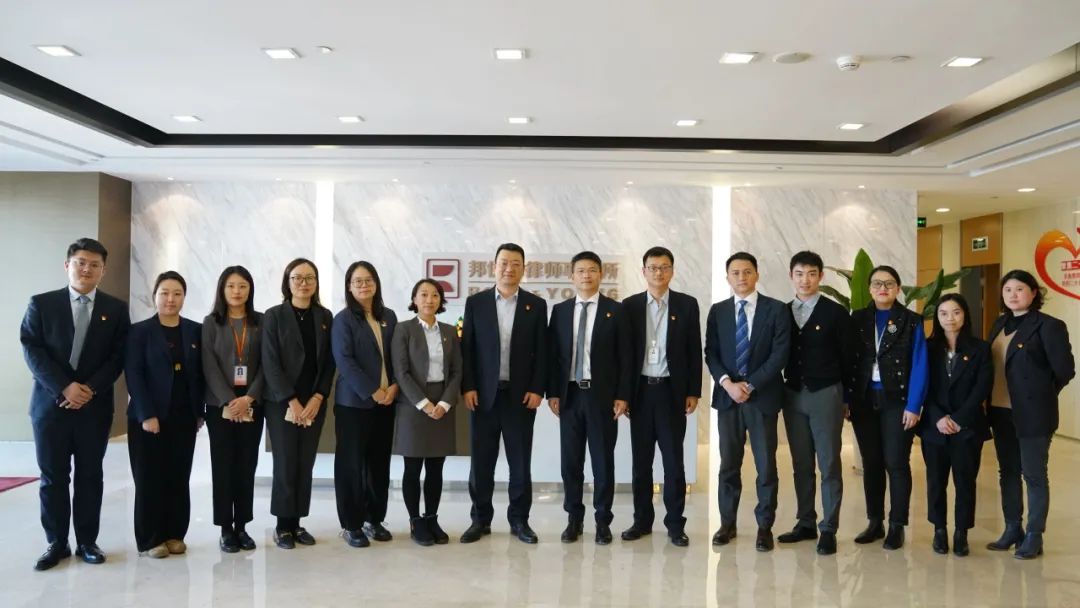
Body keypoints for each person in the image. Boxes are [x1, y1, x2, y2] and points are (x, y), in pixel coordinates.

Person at [21, 237, 130, 570]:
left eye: (94, 265)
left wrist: (88, 389)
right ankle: (56, 542)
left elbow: (118, 357)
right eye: (81, 263)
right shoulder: (42, 304)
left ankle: (87, 541)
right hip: (50, 407)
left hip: (93, 409)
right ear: (67, 265)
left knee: (89, 476)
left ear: (103, 271)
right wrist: (64, 387)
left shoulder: (115, 309)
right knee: (53, 477)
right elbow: (32, 349)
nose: (87, 269)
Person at [460, 243, 548, 544]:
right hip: (483, 397)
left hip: (520, 398)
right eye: (504, 263)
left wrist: (537, 388)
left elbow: (542, 351)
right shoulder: (476, 303)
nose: (509, 268)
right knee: (481, 463)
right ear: (493, 266)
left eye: (515, 264)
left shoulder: (536, 306)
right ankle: (480, 520)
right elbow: (467, 349)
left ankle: (520, 521)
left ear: (524, 268)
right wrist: (469, 387)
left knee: (520, 463)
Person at [986, 269, 1075, 559]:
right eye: (1007, 290)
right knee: (1008, 472)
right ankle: (1013, 528)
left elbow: (1065, 370)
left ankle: (1034, 535)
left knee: (1034, 474)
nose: (1013, 295)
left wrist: (1040, 395)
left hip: (1034, 414)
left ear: (1034, 293)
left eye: (1020, 289)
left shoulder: (1049, 326)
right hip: (999, 410)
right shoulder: (999, 323)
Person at [705, 251, 790, 552]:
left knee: (766, 466)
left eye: (747, 271)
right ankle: (727, 523)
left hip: (762, 397)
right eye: (735, 272)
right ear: (728, 277)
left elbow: (779, 355)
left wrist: (750, 384)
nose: (741, 277)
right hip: (728, 399)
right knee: (728, 464)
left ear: (757, 274)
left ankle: (764, 526)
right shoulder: (718, 311)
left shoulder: (776, 310)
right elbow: (711, 353)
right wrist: (728, 384)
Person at [547, 252, 632, 545]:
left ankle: (603, 520)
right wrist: (553, 392)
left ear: (601, 275)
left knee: (602, 461)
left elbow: (626, 357)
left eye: (592, 270)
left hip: (602, 397)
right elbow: (554, 355)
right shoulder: (560, 311)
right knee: (571, 462)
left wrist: (622, 395)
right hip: (569, 395)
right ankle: (574, 518)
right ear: (572, 276)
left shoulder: (616, 310)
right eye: (581, 270)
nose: (586, 275)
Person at [621, 246, 702, 547]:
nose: (658, 272)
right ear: (643, 271)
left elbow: (694, 350)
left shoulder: (687, 304)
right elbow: (623, 356)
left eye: (664, 267)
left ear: (672, 271)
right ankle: (641, 521)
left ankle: (675, 524)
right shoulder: (629, 306)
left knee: (673, 462)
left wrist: (693, 390)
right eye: (653, 267)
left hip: (671, 392)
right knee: (641, 463)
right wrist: (623, 394)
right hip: (641, 392)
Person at [125, 271, 205, 558]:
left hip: (184, 417)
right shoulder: (139, 332)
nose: (171, 299)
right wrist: (147, 414)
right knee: (149, 478)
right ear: (154, 296)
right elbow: (134, 374)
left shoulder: (195, 331)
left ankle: (174, 533)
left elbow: (200, 375)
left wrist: (199, 412)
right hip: (148, 418)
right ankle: (150, 539)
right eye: (165, 293)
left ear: (184, 297)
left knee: (178, 476)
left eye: (177, 293)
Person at [777, 251, 851, 555]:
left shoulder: (835, 313)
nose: (805, 280)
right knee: (801, 463)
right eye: (799, 274)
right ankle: (805, 521)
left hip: (826, 393)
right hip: (792, 394)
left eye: (811, 274)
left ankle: (829, 527)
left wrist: (847, 398)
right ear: (791, 276)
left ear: (820, 276)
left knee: (829, 462)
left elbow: (849, 359)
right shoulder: (781, 312)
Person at [849, 265, 928, 550]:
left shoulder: (911, 321)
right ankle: (875, 522)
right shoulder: (857, 319)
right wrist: (847, 399)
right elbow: (848, 360)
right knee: (871, 463)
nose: (883, 288)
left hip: (898, 401)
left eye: (889, 283)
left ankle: (897, 524)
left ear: (898, 288)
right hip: (863, 400)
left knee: (896, 462)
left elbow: (919, 364)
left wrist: (914, 405)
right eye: (877, 283)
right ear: (869, 288)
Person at [262, 258, 336, 549]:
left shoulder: (325, 316)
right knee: (285, 462)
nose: (304, 283)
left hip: (314, 402)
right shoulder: (274, 315)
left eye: (309, 278)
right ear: (288, 282)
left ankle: (297, 523)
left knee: (305, 463)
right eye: (297, 278)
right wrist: (290, 400)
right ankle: (282, 526)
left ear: (316, 282)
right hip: (282, 403)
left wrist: (319, 396)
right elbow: (270, 362)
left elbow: (329, 362)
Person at [331, 261, 399, 547]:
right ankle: (352, 524)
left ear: (376, 283)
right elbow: (344, 361)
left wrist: (394, 386)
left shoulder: (389, 316)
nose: (363, 285)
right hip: (353, 404)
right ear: (349, 286)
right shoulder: (343, 319)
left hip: (387, 402)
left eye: (368, 280)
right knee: (351, 465)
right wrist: (372, 391)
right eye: (357, 281)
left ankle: (374, 519)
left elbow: (398, 355)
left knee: (379, 463)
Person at [391, 278, 462, 546]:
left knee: (435, 467)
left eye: (435, 295)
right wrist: (423, 403)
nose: (429, 300)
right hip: (413, 405)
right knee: (412, 467)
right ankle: (415, 521)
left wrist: (444, 403)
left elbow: (456, 371)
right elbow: (401, 372)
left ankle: (431, 518)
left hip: (442, 403)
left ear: (441, 301)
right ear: (414, 299)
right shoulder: (403, 329)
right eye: (423, 294)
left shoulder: (449, 331)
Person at [920, 293, 991, 557]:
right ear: (937, 318)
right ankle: (939, 529)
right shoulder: (927, 348)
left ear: (965, 315)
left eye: (956, 312)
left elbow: (982, 387)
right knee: (935, 481)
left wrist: (959, 419)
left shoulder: (980, 348)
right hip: (934, 426)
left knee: (965, 481)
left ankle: (962, 532)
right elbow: (923, 386)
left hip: (967, 427)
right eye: (944, 313)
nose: (950, 318)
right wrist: (938, 417)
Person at [201, 266, 264, 553]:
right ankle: (226, 528)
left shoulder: (261, 321)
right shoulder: (211, 323)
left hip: (252, 402)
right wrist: (229, 400)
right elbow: (209, 365)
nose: (237, 291)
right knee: (223, 465)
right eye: (231, 286)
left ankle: (242, 526)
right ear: (222, 290)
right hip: (220, 404)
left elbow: (267, 364)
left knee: (246, 465)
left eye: (242, 286)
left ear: (250, 290)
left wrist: (248, 398)